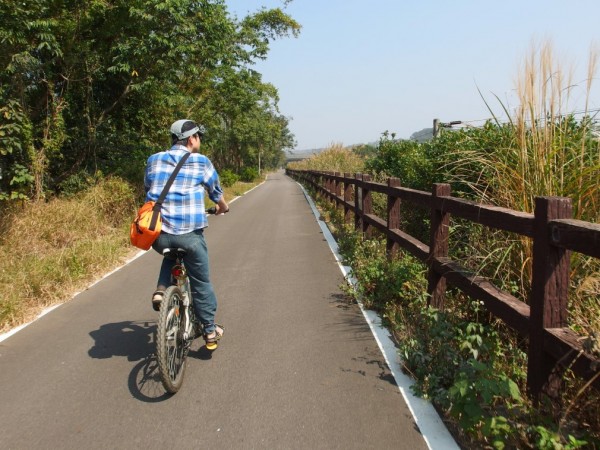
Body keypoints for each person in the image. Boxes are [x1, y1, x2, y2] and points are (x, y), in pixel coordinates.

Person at [144, 119, 228, 345]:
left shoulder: (153, 160)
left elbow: (148, 189)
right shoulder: (201, 162)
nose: (199, 140)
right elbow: (215, 192)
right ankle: (210, 330)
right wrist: (222, 207)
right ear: (191, 139)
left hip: (158, 235)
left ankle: (161, 290)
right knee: (201, 282)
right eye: (199, 136)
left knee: (171, 253)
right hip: (190, 235)